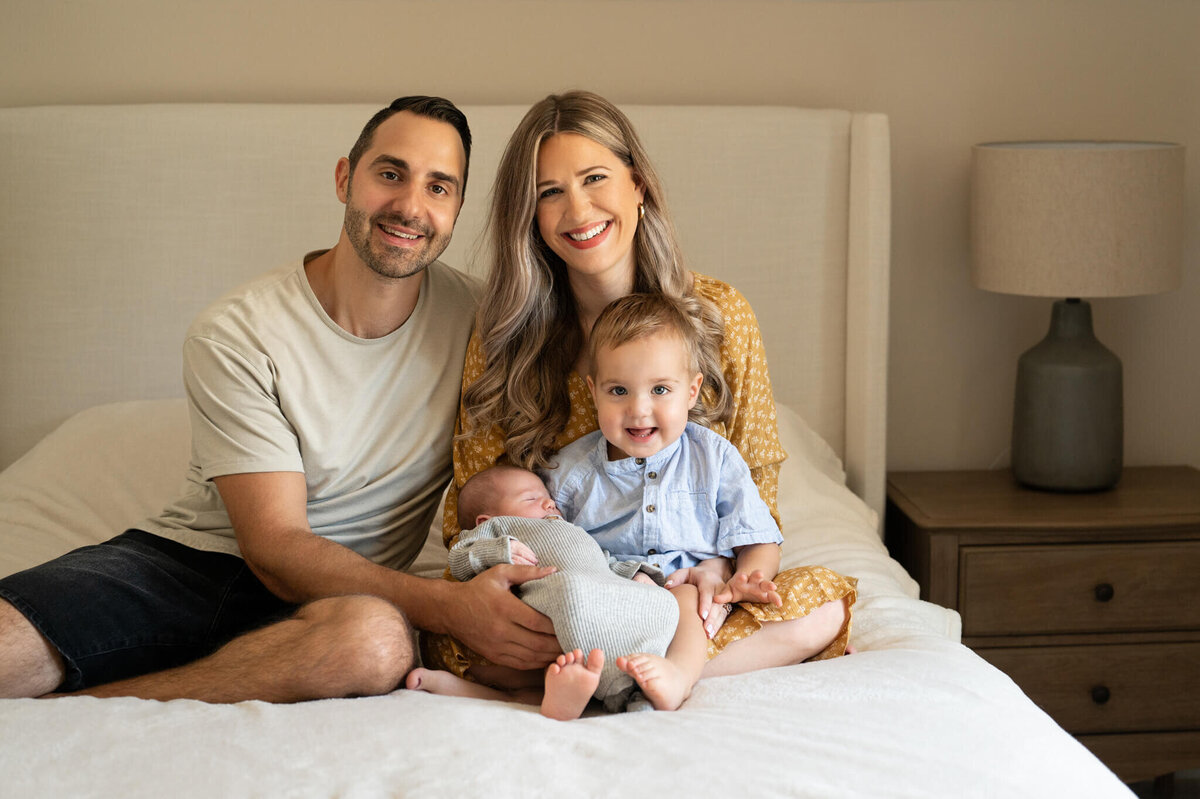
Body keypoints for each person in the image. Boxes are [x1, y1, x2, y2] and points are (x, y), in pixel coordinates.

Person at [0, 96, 563, 703]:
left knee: (376, 646)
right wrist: (449, 607)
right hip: (192, 567)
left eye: (439, 187)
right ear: (346, 178)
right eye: (390, 174)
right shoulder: (239, 330)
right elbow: (272, 548)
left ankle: (88, 707)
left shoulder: (484, 327)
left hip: (343, 603)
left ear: (455, 210)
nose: (409, 206)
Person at [420, 90, 852, 693]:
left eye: (595, 178)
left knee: (823, 605)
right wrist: (522, 583)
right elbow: (473, 509)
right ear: (530, 215)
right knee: (447, 629)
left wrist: (717, 572)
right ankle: (637, 670)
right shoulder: (504, 336)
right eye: (549, 193)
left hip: (690, 587)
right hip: (565, 588)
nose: (577, 209)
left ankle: (614, 673)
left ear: (639, 185)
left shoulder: (720, 316)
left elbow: (755, 492)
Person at [547, 292, 857, 710]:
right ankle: (650, 671)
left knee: (829, 604)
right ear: (593, 391)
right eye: (618, 390)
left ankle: (633, 676)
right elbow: (546, 543)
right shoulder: (570, 472)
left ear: (692, 391)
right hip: (614, 608)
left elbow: (759, 540)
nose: (639, 410)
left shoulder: (714, 457)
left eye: (660, 389)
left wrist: (747, 577)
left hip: (703, 611)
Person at [407, 463, 679, 719]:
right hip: (556, 595)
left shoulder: (572, 530)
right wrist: (499, 549)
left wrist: (636, 574)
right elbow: (460, 559)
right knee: (573, 592)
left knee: (665, 601)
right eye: (530, 499)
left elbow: (604, 561)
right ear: (485, 520)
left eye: (548, 497)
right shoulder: (499, 529)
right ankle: (621, 687)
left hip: (599, 589)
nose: (548, 503)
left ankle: (635, 676)